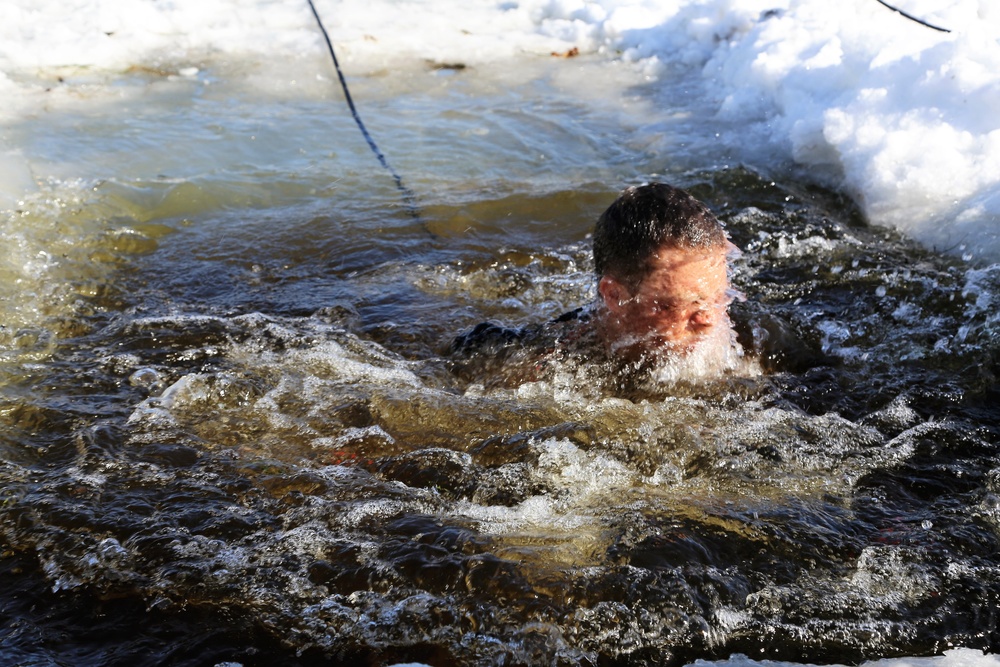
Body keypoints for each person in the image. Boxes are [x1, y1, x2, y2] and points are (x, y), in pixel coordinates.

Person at [447, 182, 816, 393]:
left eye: (719, 297)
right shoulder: (550, 366)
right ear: (614, 295)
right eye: (679, 305)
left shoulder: (757, 340)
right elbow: (465, 356)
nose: (708, 320)